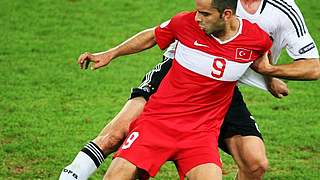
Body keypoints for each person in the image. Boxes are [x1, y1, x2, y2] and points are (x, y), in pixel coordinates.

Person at [59, 0, 320, 179]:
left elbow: (262, 57)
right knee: (115, 140)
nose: (198, 18)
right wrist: (111, 53)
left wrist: (270, 75)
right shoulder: (186, 24)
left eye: (204, 14)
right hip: (162, 114)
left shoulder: (263, 29)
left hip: (203, 127)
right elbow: (152, 35)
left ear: (227, 14)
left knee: (255, 162)